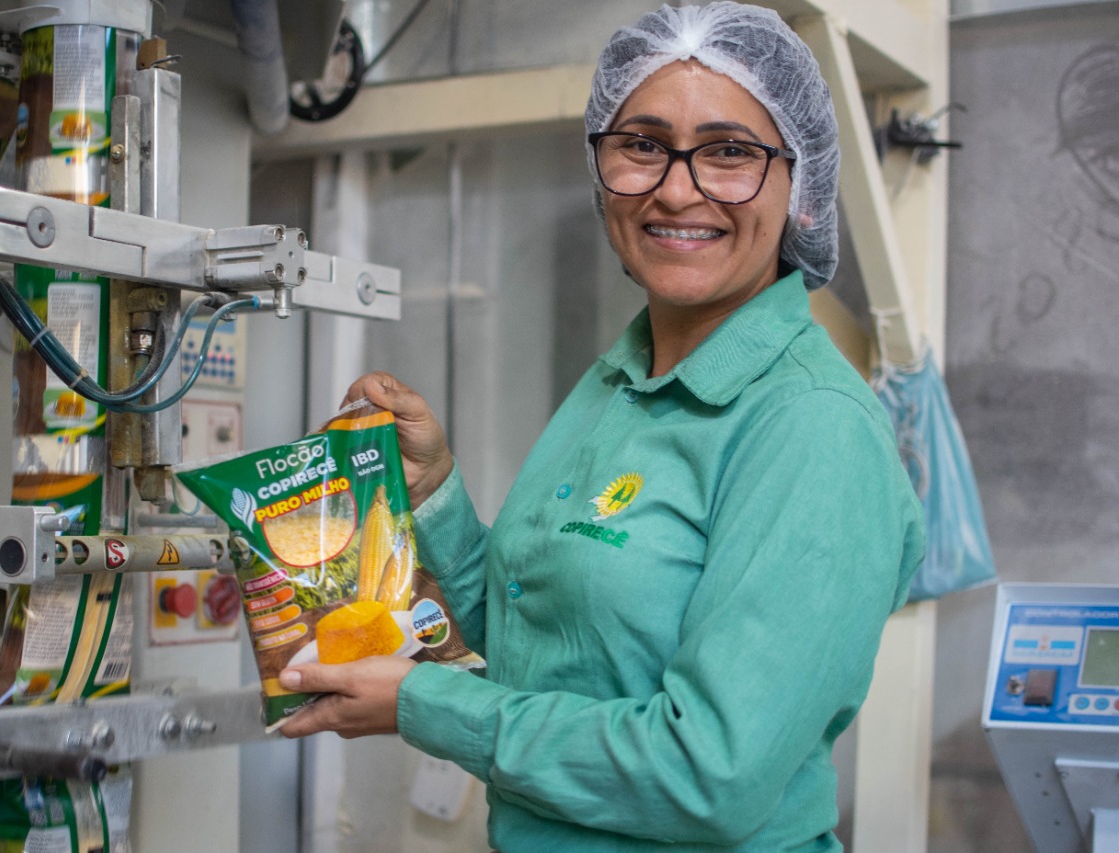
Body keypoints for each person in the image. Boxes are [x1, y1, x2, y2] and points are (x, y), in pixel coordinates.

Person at [277, 3, 925, 850]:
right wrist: (433, 493)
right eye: (643, 145)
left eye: (730, 151)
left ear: (799, 188)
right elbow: (543, 653)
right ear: (601, 170)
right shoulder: (617, 383)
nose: (677, 188)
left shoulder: (812, 429)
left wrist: (421, 703)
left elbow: (709, 773)